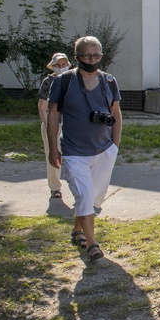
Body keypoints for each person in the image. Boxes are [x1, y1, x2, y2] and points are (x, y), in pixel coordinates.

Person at [47, 36, 122, 263]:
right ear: (77, 57)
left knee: (93, 198)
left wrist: (114, 146)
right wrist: (53, 148)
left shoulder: (109, 80)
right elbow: (52, 115)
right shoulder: (64, 81)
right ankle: (92, 245)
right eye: (87, 56)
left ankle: (77, 230)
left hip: (104, 149)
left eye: (96, 55)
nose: (92, 59)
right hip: (73, 151)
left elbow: (116, 113)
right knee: (84, 194)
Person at [38, 52, 71, 199]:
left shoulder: (73, 79)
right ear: (53, 66)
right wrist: (48, 125)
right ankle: (55, 187)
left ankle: (79, 186)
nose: (61, 67)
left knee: (75, 155)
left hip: (71, 123)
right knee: (53, 154)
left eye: (63, 64)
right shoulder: (48, 81)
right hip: (54, 123)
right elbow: (42, 106)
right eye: (58, 65)